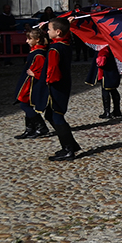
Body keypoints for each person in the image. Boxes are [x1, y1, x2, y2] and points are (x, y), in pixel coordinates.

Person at [44, 17, 82, 162]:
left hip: (57, 85)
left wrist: (45, 82)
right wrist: (68, 24)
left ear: (57, 32)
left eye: (49, 29)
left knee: (57, 115)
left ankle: (68, 149)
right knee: (49, 114)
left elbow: (53, 71)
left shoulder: (55, 49)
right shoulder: (63, 43)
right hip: (64, 83)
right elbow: (65, 34)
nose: (47, 32)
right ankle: (71, 144)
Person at [14, 27, 50, 140]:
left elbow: (44, 72)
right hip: (28, 83)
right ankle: (30, 129)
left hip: (32, 84)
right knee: (26, 105)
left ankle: (41, 127)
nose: (27, 41)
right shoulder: (35, 52)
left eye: (29, 39)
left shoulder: (39, 54)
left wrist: (35, 74)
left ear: (37, 40)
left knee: (25, 105)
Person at [86, 40, 122, 120]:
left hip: (106, 72)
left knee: (106, 91)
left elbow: (101, 61)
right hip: (114, 70)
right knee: (113, 90)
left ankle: (107, 112)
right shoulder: (114, 44)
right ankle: (117, 110)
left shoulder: (104, 47)